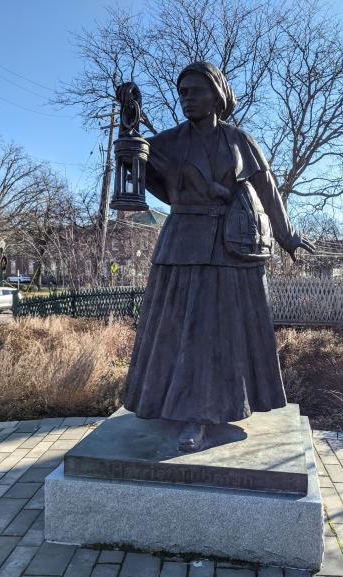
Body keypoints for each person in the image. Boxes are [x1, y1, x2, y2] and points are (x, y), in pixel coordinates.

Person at [122, 62, 314, 451]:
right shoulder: (168, 143)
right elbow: (145, 180)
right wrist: (130, 135)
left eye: (195, 91)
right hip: (182, 245)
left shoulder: (239, 140)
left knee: (220, 334)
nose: (187, 99)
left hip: (231, 248)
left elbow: (268, 189)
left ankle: (208, 412)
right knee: (181, 331)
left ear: (217, 96)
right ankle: (181, 410)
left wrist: (288, 236)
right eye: (183, 93)